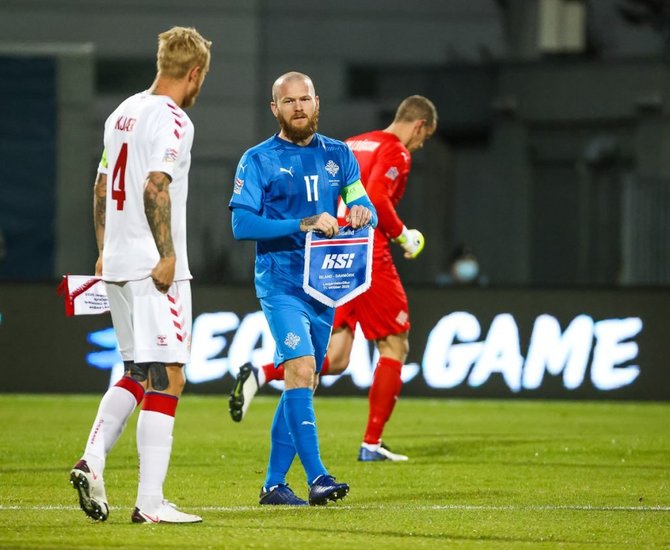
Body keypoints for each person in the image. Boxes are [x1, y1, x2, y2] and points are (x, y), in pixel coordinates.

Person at [229, 95, 437, 463]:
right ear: (419, 126)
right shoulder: (396, 152)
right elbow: (375, 200)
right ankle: (371, 443)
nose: (421, 146)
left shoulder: (355, 142)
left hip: (327, 255)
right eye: (424, 138)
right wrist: (405, 235)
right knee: (395, 344)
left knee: (335, 359)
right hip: (364, 256)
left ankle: (262, 373)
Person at [69, 26, 211, 524]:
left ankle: (93, 458)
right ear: (194, 74)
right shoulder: (174, 121)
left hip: (117, 264)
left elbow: (101, 183)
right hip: (154, 269)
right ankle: (150, 503)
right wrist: (168, 256)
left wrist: (103, 249)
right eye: (200, 81)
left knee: (134, 371)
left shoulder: (121, 112)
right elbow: (156, 185)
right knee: (170, 376)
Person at [229, 71, 377, 506]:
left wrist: (362, 213)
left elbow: (360, 199)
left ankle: (274, 485)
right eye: (288, 101)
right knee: (300, 368)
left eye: (305, 99)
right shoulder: (257, 159)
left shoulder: (339, 154)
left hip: (324, 285)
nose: (298, 107)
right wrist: (304, 222)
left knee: (305, 378)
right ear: (274, 109)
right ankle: (318, 477)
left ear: (317, 103)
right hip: (280, 282)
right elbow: (241, 224)